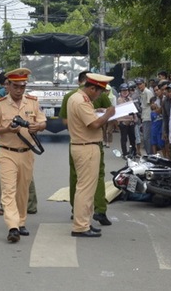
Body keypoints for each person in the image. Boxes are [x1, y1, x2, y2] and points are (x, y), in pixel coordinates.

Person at [0, 68, 46, 243]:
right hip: (7, 153)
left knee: (22, 191)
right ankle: (12, 227)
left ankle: (20, 222)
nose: (20, 90)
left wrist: (38, 127)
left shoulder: (33, 102)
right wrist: (6, 129)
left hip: (27, 153)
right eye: (16, 86)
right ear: (8, 85)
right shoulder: (0, 104)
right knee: (8, 190)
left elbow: (43, 121)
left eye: (23, 86)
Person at [60, 70, 114, 227]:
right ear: (92, 88)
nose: (100, 96)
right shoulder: (81, 101)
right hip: (86, 146)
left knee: (85, 187)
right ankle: (81, 225)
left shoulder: (74, 97)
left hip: (81, 144)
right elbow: (94, 124)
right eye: (100, 92)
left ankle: (83, 221)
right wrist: (108, 114)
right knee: (85, 188)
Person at [116, 83, 137, 156]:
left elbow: (133, 109)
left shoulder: (130, 99)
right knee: (124, 138)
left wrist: (135, 117)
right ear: (120, 92)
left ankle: (133, 152)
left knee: (132, 138)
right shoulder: (120, 100)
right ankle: (124, 153)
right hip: (123, 121)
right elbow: (123, 111)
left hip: (131, 121)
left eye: (126, 90)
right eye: (123, 91)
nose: (125, 92)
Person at [136, 78, 154, 155]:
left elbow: (151, 105)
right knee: (145, 138)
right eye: (138, 84)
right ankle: (149, 154)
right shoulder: (142, 93)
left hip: (148, 117)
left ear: (144, 83)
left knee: (147, 138)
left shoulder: (148, 92)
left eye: (140, 84)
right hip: (144, 116)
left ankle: (150, 154)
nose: (139, 86)